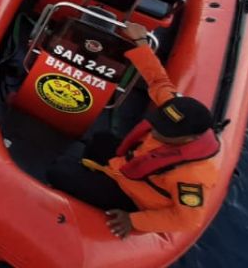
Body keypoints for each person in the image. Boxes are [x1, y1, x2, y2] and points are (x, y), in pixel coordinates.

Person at [47, 22, 221, 238]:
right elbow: (158, 80)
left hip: (134, 196)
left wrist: (133, 220)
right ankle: (92, 177)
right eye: (158, 123)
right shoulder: (173, 108)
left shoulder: (193, 176)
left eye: (165, 132)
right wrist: (140, 41)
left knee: (60, 170)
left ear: (190, 139)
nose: (155, 132)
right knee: (100, 140)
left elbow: (188, 219)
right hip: (128, 167)